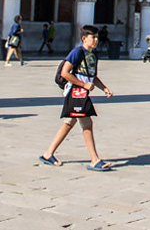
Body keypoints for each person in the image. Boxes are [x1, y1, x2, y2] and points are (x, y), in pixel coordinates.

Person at [39, 25, 114, 171]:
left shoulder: (93, 55)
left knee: (69, 122)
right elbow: (65, 72)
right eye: (93, 37)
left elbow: (92, 76)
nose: (96, 40)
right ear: (84, 39)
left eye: (97, 37)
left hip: (82, 92)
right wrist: (83, 84)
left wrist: (104, 88)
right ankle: (94, 159)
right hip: (75, 92)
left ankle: (48, 154)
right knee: (87, 123)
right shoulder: (76, 52)